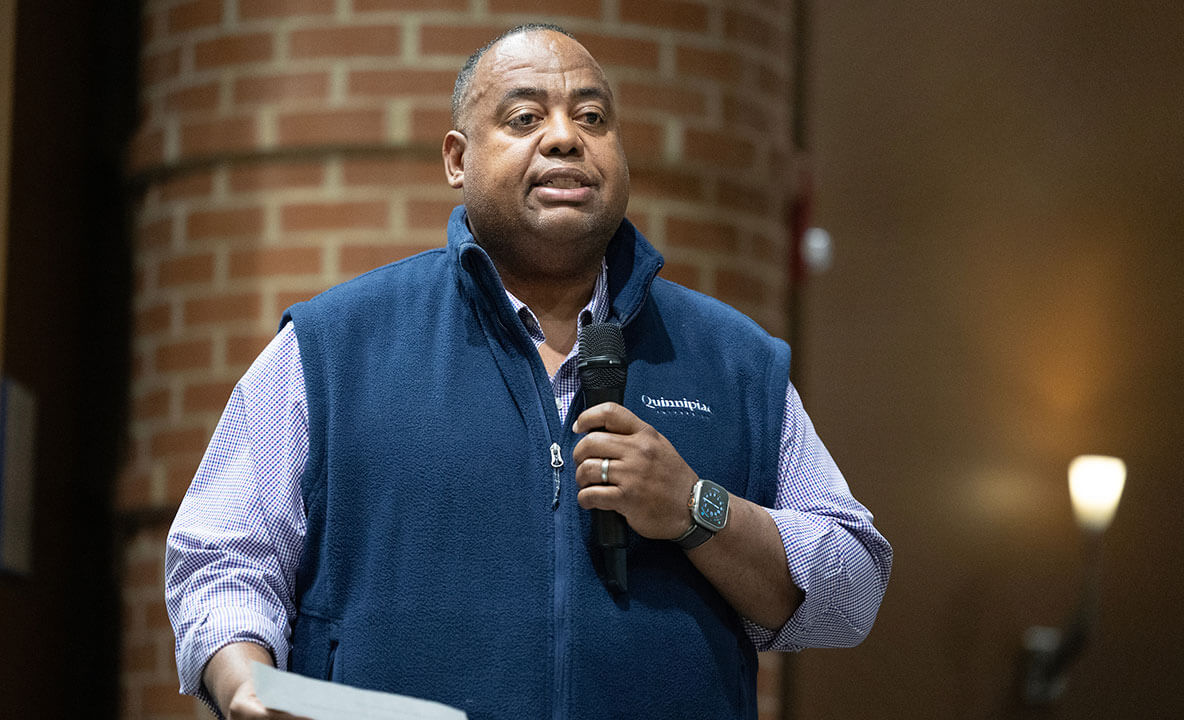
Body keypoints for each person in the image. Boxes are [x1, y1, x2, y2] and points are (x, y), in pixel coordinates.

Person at [166, 23, 892, 720]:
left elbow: (851, 591)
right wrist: (248, 686)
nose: (565, 137)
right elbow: (220, 561)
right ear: (457, 159)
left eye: (593, 117)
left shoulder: (733, 359)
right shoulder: (335, 345)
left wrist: (695, 507)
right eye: (524, 118)